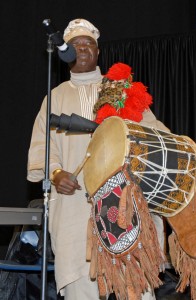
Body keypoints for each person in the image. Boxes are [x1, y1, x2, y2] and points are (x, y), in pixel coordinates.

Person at [27, 18, 169, 300]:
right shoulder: (53, 98)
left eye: (88, 43)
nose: (82, 48)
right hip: (74, 209)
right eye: (76, 44)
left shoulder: (121, 90)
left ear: (98, 51)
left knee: (137, 288)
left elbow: (157, 134)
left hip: (125, 205)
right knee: (82, 288)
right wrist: (56, 175)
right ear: (64, 53)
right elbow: (41, 152)